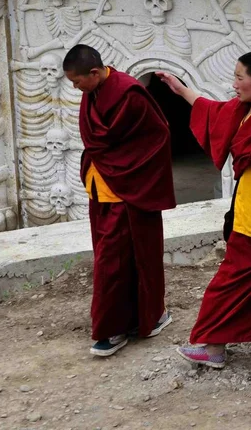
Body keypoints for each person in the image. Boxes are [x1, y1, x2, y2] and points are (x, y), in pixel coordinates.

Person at [158, 50, 251, 369]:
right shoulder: (246, 109)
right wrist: (181, 90)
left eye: (240, 78)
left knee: (228, 288)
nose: (234, 84)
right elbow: (214, 112)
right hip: (246, 214)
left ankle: (214, 349)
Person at [63, 44, 176, 357]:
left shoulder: (129, 93)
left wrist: (129, 174)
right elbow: (95, 138)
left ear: (95, 73)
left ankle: (111, 330)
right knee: (115, 258)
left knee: (114, 263)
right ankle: (148, 317)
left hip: (128, 192)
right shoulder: (94, 92)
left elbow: (157, 136)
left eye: (77, 81)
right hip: (102, 188)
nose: (76, 88)